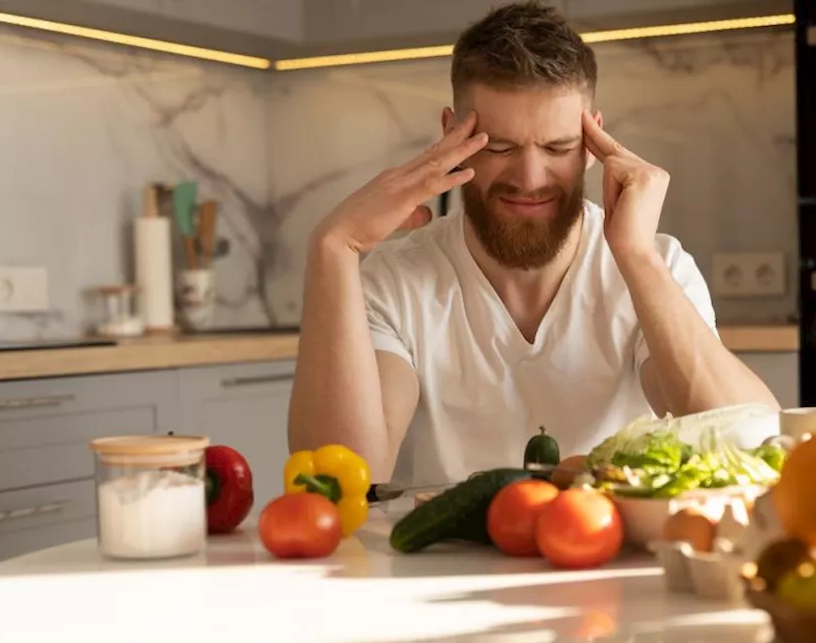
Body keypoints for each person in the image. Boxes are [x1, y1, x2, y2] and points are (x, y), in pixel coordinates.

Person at [287, 1, 779, 490]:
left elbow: (752, 442)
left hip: (610, 554)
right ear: (449, 134)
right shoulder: (395, 281)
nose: (529, 178)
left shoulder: (658, 266)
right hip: (441, 566)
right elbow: (339, 477)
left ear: (594, 143)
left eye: (558, 148)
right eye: (499, 148)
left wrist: (638, 258)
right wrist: (334, 248)